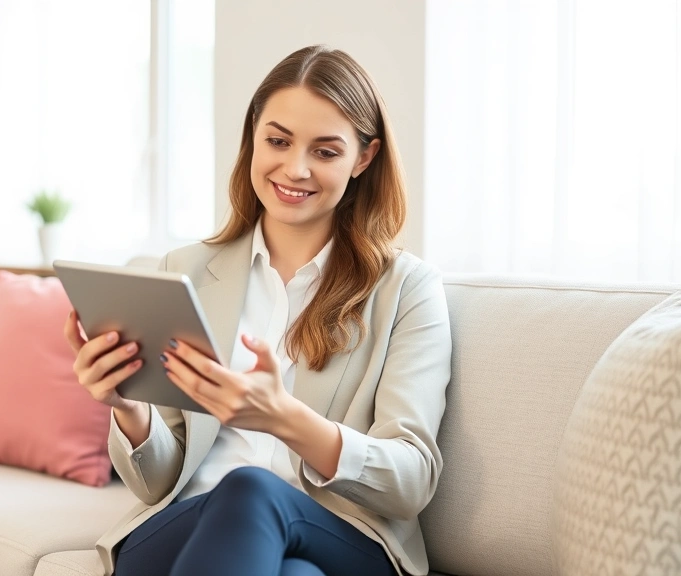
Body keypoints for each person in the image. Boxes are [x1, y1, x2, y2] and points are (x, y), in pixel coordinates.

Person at [64, 44, 452, 576]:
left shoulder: (407, 289)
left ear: (364, 157)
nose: (295, 168)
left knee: (252, 490)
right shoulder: (187, 270)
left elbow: (411, 481)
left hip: (340, 531)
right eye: (278, 141)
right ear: (252, 137)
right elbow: (157, 482)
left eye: (325, 151)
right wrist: (127, 407)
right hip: (194, 524)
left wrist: (287, 419)